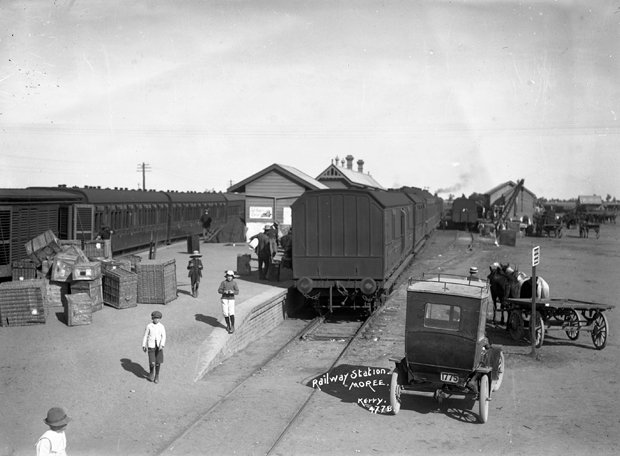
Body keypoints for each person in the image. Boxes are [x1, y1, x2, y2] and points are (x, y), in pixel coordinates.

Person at [142, 311, 166, 383]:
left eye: (158, 318)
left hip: (159, 347)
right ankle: (151, 373)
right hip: (151, 346)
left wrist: (162, 344)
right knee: (152, 362)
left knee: (158, 362)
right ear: (152, 318)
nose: (157, 320)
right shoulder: (149, 326)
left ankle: (157, 375)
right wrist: (144, 345)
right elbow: (145, 336)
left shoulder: (161, 326)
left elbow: (164, 336)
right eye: (155, 318)